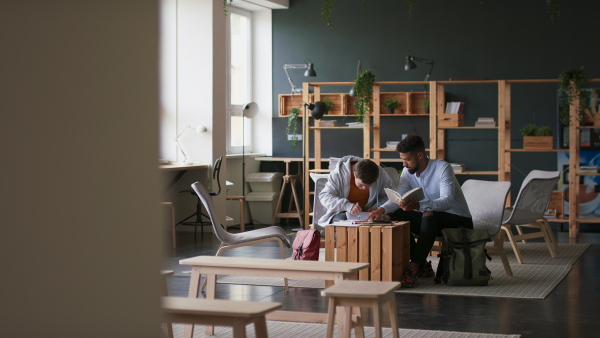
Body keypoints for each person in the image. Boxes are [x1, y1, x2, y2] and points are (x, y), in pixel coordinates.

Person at [367, 135, 472, 288]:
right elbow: (398, 198)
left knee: (428, 213)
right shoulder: (407, 171)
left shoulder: (442, 168)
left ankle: (414, 266)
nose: (404, 163)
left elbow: (447, 202)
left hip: (458, 218)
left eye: (407, 159)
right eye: (402, 159)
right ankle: (423, 266)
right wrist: (381, 209)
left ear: (420, 155)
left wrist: (418, 207)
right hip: (430, 217)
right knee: (393, 215)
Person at [318, 155, 395, 225]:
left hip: (368, 215)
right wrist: (347, 205)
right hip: (342, 214)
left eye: (369, 186)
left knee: (391, 217)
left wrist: (378, 207)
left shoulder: (381, 174)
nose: (364, 188)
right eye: (361, 185)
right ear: (354, 174)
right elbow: (325, 196)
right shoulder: (338, 174)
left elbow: (389, 196)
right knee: (344, 221)